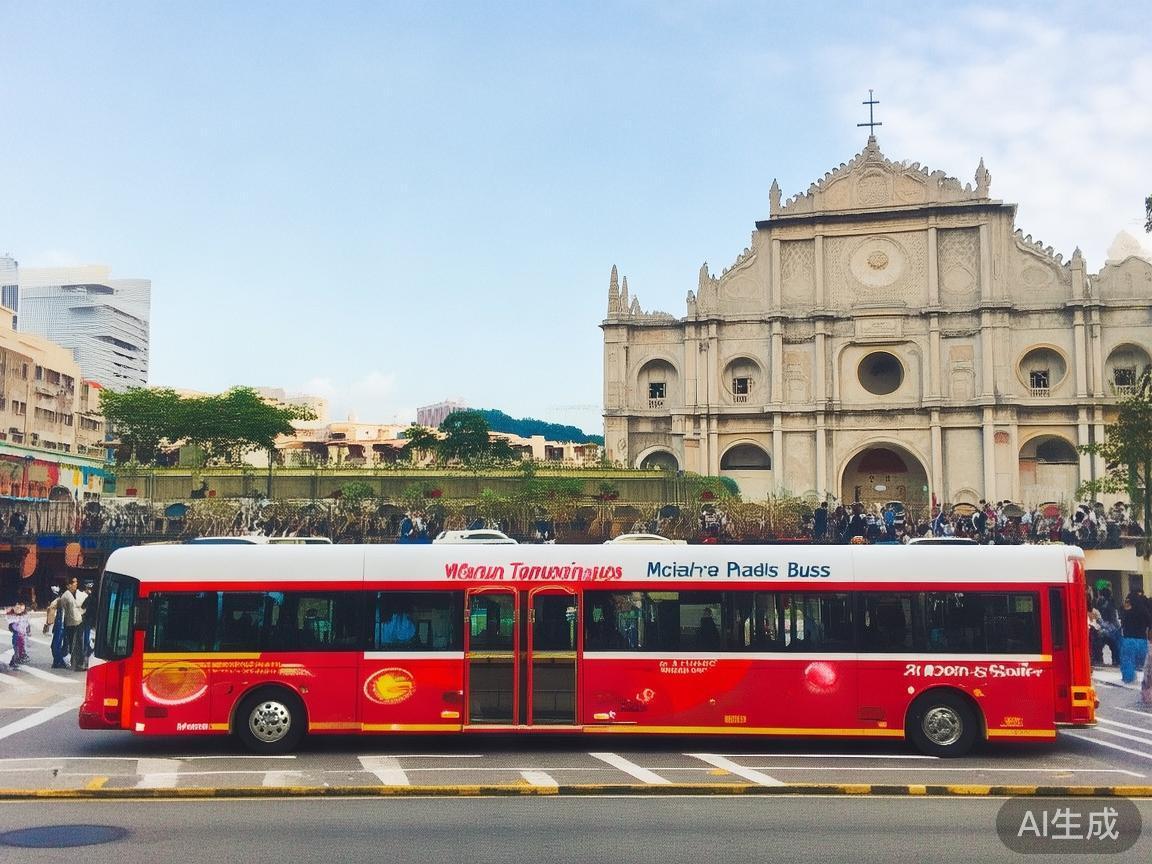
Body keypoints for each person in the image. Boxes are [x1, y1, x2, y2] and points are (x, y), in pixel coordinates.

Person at [1118, 592, 1151, 684]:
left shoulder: (1126, 612)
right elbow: (1150, 624)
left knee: (1128, 660)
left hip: (1128, 640)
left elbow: (1122, 624)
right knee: (1144, 662)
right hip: (1142, 641)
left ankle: (1128, 679)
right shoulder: (1144, 611)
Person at [57, 577, 88, 672]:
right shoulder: (65, 596)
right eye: (74, 582)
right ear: (68, 585)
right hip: (71, 623)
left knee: (79, 643)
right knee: (74, 644)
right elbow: (61, 609)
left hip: (79, 621)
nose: (76, 584)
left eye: (76, 582)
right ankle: (76, 664)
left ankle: (78, 663)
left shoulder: (77, 594)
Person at [41, 585, 69, 668]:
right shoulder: (61, 601)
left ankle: (60, 662)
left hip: (60, 626)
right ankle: (57, 662)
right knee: (57, 645)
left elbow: (51, 612)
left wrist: (48, 624)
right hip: (61, 626)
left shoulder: (59, 601)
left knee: (55, 645)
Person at [7, 602, 31, 669]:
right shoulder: (13, 618)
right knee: (17, 650)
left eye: (21, 608)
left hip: (22, 636)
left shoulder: (24, 616)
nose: (20, 609)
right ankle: (13, 663)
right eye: (18, 608)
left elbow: (27, 624)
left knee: (20, 650)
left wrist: (28, 630)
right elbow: (13, 625)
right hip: (17, 637)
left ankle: (15, 661)